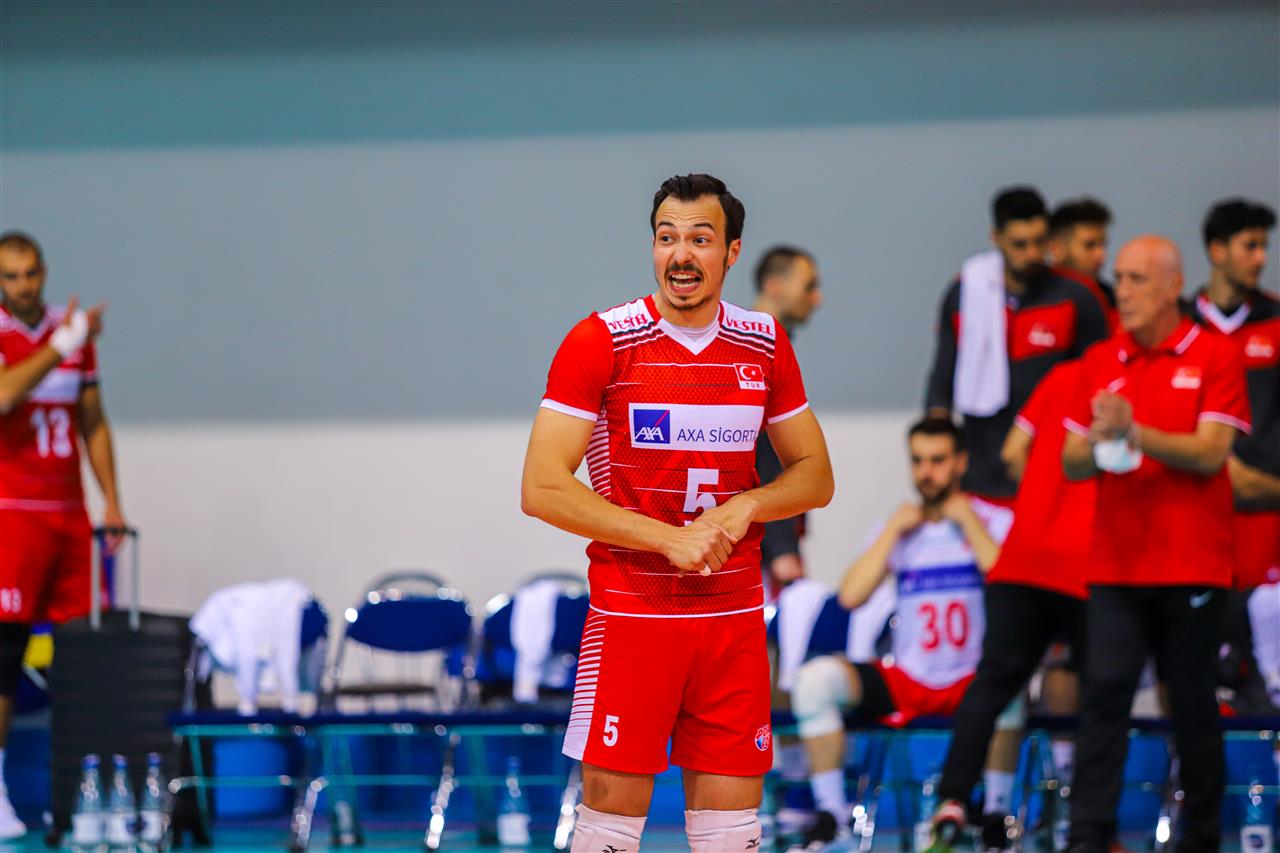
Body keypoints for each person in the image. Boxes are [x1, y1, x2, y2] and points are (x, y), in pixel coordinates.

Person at [521, 174, 835, 853]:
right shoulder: (601, 340)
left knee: (731, 836)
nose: (681, 254)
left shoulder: (764, 342)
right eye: (667, 238)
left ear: (731, 251)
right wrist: (668, 539)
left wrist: (750, 503)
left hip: (732, 622)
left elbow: (817, 475)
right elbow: (542, 487)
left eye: (700, 238)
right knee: (609, 832)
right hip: (633, 618)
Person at [1061, 235, 1250, 853]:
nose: (1123, 290)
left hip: (1193, 564)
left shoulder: (1215, 354)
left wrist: (1134, 432)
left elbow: (1212, 453)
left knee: (1192, 702)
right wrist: (1100, 442)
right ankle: (1089, 836)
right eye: (1119, 277)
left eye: (1138, 278)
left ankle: (1202, 838)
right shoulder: (1102, 358)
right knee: (1103, 700)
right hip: (1116, 567)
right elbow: (1070, 461)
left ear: (1174, 285)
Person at [788, 417, 1013, 850]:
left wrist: (968, 522)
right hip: (908, 678)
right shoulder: (901, 529)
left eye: (938, 460)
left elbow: (1009, 584)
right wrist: (892, 532)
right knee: (814, 682)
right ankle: (833, 819)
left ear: (961, 462)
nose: (926, 471)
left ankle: (995, 817)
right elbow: (851, 595)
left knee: (1010, 687)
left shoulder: (993, 521)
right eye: (918, 461)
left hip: (973, 681)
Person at [923, 358, 1092, 853]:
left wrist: (1044, 489)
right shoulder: (1121, 380)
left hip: (1023, 560)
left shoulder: (1060, 377)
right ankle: (1081, 820)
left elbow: (1013, 452)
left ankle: (952, 799)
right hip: (1084, 565)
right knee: (1100, 693)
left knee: (994, 683)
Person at [0, 231, 124, 839]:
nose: (23, 285)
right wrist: (61, 345)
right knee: (5, 653)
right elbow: (4, 396)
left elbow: (92, 423)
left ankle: (82, 788)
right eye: (11, 276)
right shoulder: (43, 337)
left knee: (82, 657)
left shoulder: (70, 335)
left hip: (68, 515)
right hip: (12, 516)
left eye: (30, 273)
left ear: (44, 272)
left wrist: (112, 500)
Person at [925, 186, 1110, 506]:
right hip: (980, 475)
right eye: (1020, 245)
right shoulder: (966, 295)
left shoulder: (1077, 297)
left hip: (1055, 474)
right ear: (996, 238)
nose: (1032, 254)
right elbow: (943, 380)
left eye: (1039, 242)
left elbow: (1100, 384)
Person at [1185, 199, 1280, 590]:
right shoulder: (1179, 323)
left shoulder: (1276, 321)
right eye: (1250, 246)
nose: (1261, 259)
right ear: (1217, 250)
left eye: (1264, 247)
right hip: (1192, 510)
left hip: (1266, 509)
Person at [752, 246, 823, 595]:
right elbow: (764, 456)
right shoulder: (756, 350)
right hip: (758, 550)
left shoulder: (770, 347)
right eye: (809, 286)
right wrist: (781, 546)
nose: (817, 299)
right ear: (775, 286)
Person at [1049, 197, 1118, 329]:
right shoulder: (1031, 301)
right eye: (1089, 245)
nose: (1101, 255)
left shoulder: (1114, 302)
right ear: (1056, 249)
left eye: (1103, 245)